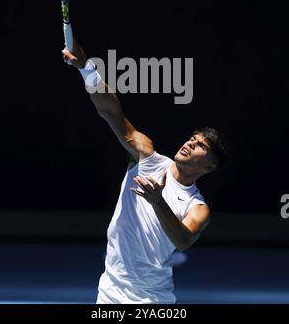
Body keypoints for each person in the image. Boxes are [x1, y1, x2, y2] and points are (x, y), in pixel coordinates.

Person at [62, 41, 228, 304]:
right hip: (109, 292)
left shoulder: (198, 208)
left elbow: (183, 240)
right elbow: (110, 111)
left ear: (209, 167)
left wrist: (157, 201)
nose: (189, 144)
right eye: (191, 139)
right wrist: (86, 68)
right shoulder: (147, 157)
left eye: (199, 146)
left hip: (153, 299)